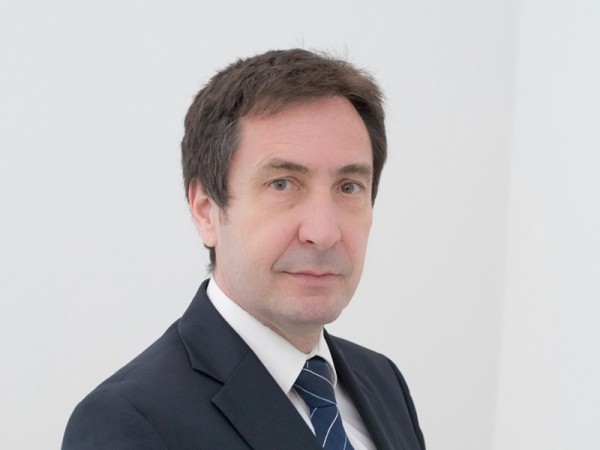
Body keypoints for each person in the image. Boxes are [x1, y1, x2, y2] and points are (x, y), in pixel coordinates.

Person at [62, 48, 425, 450]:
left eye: (348, 187)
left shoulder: (383, 382)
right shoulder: (128, 422)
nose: (323, 233)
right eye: (282, 184)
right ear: (206, 211)